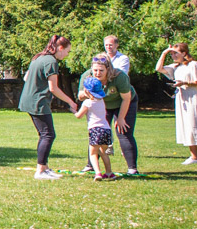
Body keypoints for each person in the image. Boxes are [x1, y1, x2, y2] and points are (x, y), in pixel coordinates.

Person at [18, 34, 78, 180]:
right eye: (67, 51)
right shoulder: (51, 61)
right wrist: (71, 102)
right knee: (48, 135)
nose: (67, 55)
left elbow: (26, 78)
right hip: (38, 102)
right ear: (60, 48)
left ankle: (44, 168)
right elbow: (53, 88)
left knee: (45, 134)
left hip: (29, 100)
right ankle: (40, 171)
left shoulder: (38, 58)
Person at [77, 54, 140, 175]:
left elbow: (126, 99)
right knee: (97, 133)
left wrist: (121, 118)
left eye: (101, 70)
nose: (97, 73)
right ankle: (91, 166)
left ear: (108, 69)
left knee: (124, 132)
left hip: (123, 102)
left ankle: (132, 168)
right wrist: (87, 93)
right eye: (95, 70)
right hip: (103, 105)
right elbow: (80, 96)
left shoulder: (119, 77)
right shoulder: (87, 76)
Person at [156, 43, 197, 166]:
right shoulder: (175, 67)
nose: (173, 56)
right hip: (181, 97)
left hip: (192, 96)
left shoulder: (194, 65)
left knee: (195, 125)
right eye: (172, 54)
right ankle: (194, 156)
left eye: (176, 53)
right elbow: (158, 68)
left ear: (184, 53)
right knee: (186, 126)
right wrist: (164, 53)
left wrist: (185, 82)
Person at [75, 76, 115, 181]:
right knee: (103, 152)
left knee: (93, 153)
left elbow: (79, 115)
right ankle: (109, 172)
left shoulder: (87, 103)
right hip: (106, 129)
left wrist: (73, 110)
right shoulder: (101, 100)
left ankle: (97, 173)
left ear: (86, 90)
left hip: (95, 130)